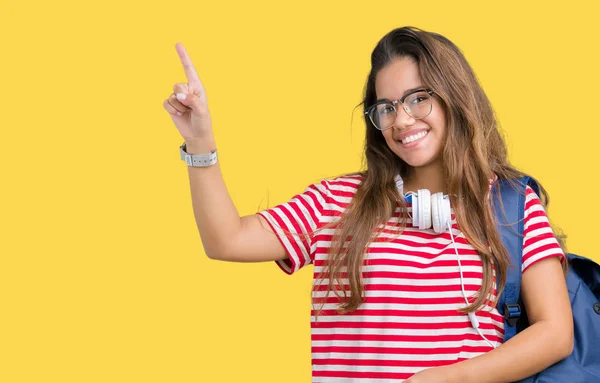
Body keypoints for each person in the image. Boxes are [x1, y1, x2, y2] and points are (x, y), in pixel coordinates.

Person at [162, 26, 573, 383]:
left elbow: (555, 333)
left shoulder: (510, 205)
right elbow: (226, 240)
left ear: (454, 98)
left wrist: (447, 378)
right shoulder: (338, 202)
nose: (402, 120)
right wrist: (200, 141)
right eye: (387, 107)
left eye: (418, 98)